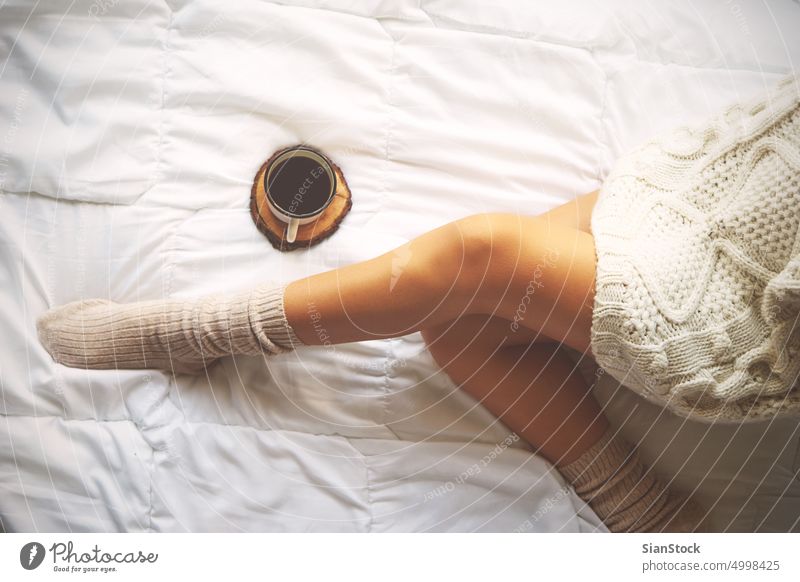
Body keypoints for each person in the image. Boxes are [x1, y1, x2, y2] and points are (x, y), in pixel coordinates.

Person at [36, 75, 800, 533]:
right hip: (699, 197)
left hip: (741, 304)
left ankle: (206, 330)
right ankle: (642, 505)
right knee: (459, 330)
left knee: (477, 255)